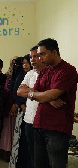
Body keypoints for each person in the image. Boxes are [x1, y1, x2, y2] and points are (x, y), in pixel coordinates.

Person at [25, 38, 77, 168]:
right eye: (38, 54)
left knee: (56, 164)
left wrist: (37, 95)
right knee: (39, 164)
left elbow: (52, 94)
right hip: (39, 124)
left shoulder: (68, 70)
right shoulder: (45, 71)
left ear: (54, 52)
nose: (39, 57)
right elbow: (34, 91)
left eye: (43, 54)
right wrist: (44, 96)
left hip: (57, 127)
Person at [17, 46, 46, 168]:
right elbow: (19, 91)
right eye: (31, 57)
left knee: (45, 156)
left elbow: (50, 95)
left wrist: (29, 92)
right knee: (33, 154)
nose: (32, 60)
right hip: (29, 120)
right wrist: (38, 92)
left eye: (35, 56)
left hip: (45, 121)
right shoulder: (29, 74)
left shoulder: (49, 73)